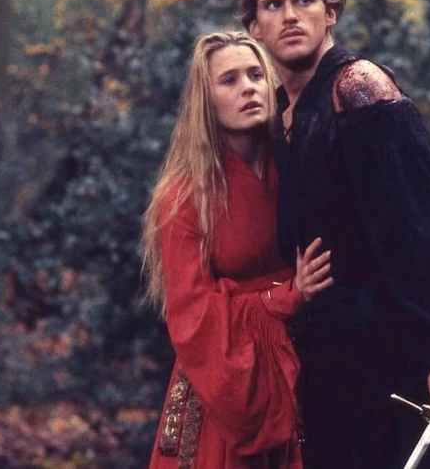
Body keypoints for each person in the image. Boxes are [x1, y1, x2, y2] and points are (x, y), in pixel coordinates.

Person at [238, 0, 430, 468]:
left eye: (304, 0)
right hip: (325, 366)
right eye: (273, 5)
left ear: (330, 12)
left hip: (390, 359)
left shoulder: (357, 87)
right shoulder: (282, 117)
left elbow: (426, 221)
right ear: (254, 28)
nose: (290, 15)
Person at [142, 31, 333, 469]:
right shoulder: (185, 196)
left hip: (310, 367)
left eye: (255, 75)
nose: (248, 88)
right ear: (205, 103)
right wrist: (285, 297)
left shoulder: (296, 168)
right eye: (229, 80)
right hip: (228, 388)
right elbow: (192, 314)